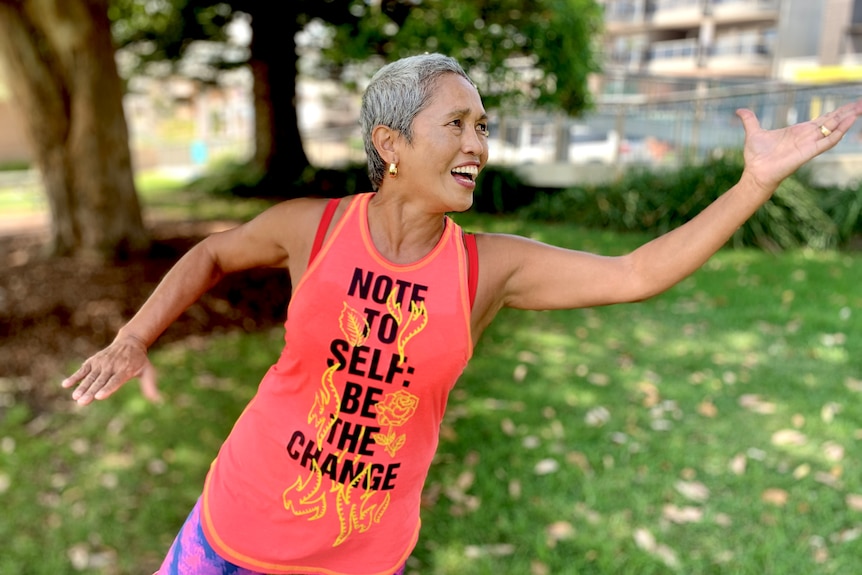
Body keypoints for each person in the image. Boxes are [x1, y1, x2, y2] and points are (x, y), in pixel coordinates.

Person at [62, 53, 862, 575]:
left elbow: (636, 272)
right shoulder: (316, 227)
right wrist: (135, 337)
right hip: (231, 530)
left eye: (483, 125)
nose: (478, 141)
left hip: (358, 559)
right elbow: (210, 253)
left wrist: (756, 181)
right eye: (457, 123)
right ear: (392, 142)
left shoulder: (487, 268)